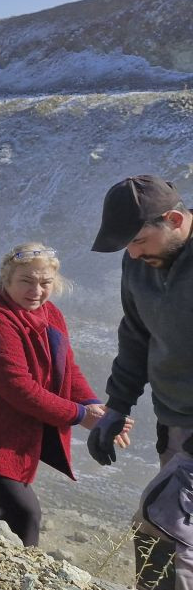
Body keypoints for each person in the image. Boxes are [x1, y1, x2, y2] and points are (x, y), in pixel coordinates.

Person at [0, 242, 129, 547]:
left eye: (45, 283)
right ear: (7, 279)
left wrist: (92, 404)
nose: (36, 290)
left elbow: (66, 368)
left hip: (1, 429)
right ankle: (22, 574)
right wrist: (81, 416)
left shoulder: (49, 313)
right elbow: (19, 388)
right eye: (26, 281)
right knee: (24, 513)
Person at [88, 175, 193, 590]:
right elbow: (136, 335)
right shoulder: (138, 262)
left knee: (163, 527)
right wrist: (117, 406)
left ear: (173, 219)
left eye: (138, 240)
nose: (132, 252)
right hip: (176, 426)